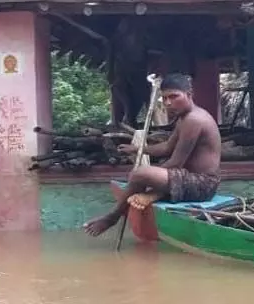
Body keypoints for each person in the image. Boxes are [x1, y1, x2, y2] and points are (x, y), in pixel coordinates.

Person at [83, 73, 222, 236]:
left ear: (189, 95)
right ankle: (155, 193)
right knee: (143, 174)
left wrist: (148, 178)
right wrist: (136, 149)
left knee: (140, 174)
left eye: (174, 96)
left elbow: (176, 162)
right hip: (187, 178)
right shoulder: (183, 118)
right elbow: (167, 147)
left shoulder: (194, 120)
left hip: (202, 185)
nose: (168, 103)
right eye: (164, 98)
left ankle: (112, 217)